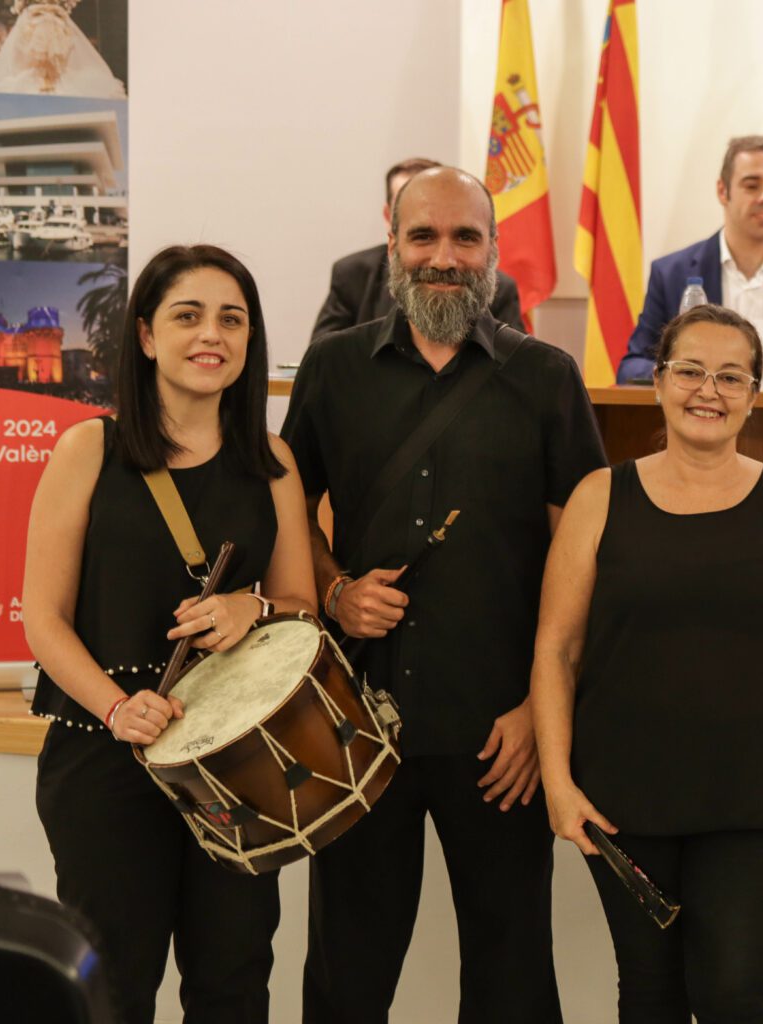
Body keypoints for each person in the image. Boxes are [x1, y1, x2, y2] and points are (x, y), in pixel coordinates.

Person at [283, 166, 605, 1023]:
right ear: (391, 244)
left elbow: (584, 558)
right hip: (357, 729)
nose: (445, 256)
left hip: (501, 737)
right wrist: (335, 590)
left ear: (493, 251)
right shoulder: (332, 368)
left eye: (466, 237)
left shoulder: (547, 377)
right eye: (423, 236)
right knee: (346, 980)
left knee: (511, 982)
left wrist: (539, 710)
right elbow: (285, 519)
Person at [22, 244, 315, 1023]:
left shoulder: (273, 462)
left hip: (236, 762)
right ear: (147, 336)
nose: (211, 334)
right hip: (104, 757)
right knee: (115, 991)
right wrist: (118, 707)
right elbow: (42, 618)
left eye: (232, 319)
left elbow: (302, 607)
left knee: (234, 981)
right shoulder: (89, 449)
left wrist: (253, 609)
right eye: (189, 315)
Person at [531, 303, 763, 1023]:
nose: (709, 390)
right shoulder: (599, 496)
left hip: (748, 790)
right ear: (657, 382)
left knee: (733, 991)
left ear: (754, 395)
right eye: (691, 371)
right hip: (622, 792)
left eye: (731, 377)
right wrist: (557, 781)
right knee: (650, 994)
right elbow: (556, 648)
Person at [615, 136, 763, 383]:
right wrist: (684, 375)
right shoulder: (671, 274)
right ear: (722, 191)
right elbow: (632, 367)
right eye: (752, 185)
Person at [311, 157, 523, 340]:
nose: (442, 261)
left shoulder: (500, 289)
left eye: (464, 237)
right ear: (390, 218)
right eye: (424, 236)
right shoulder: (352, 275)